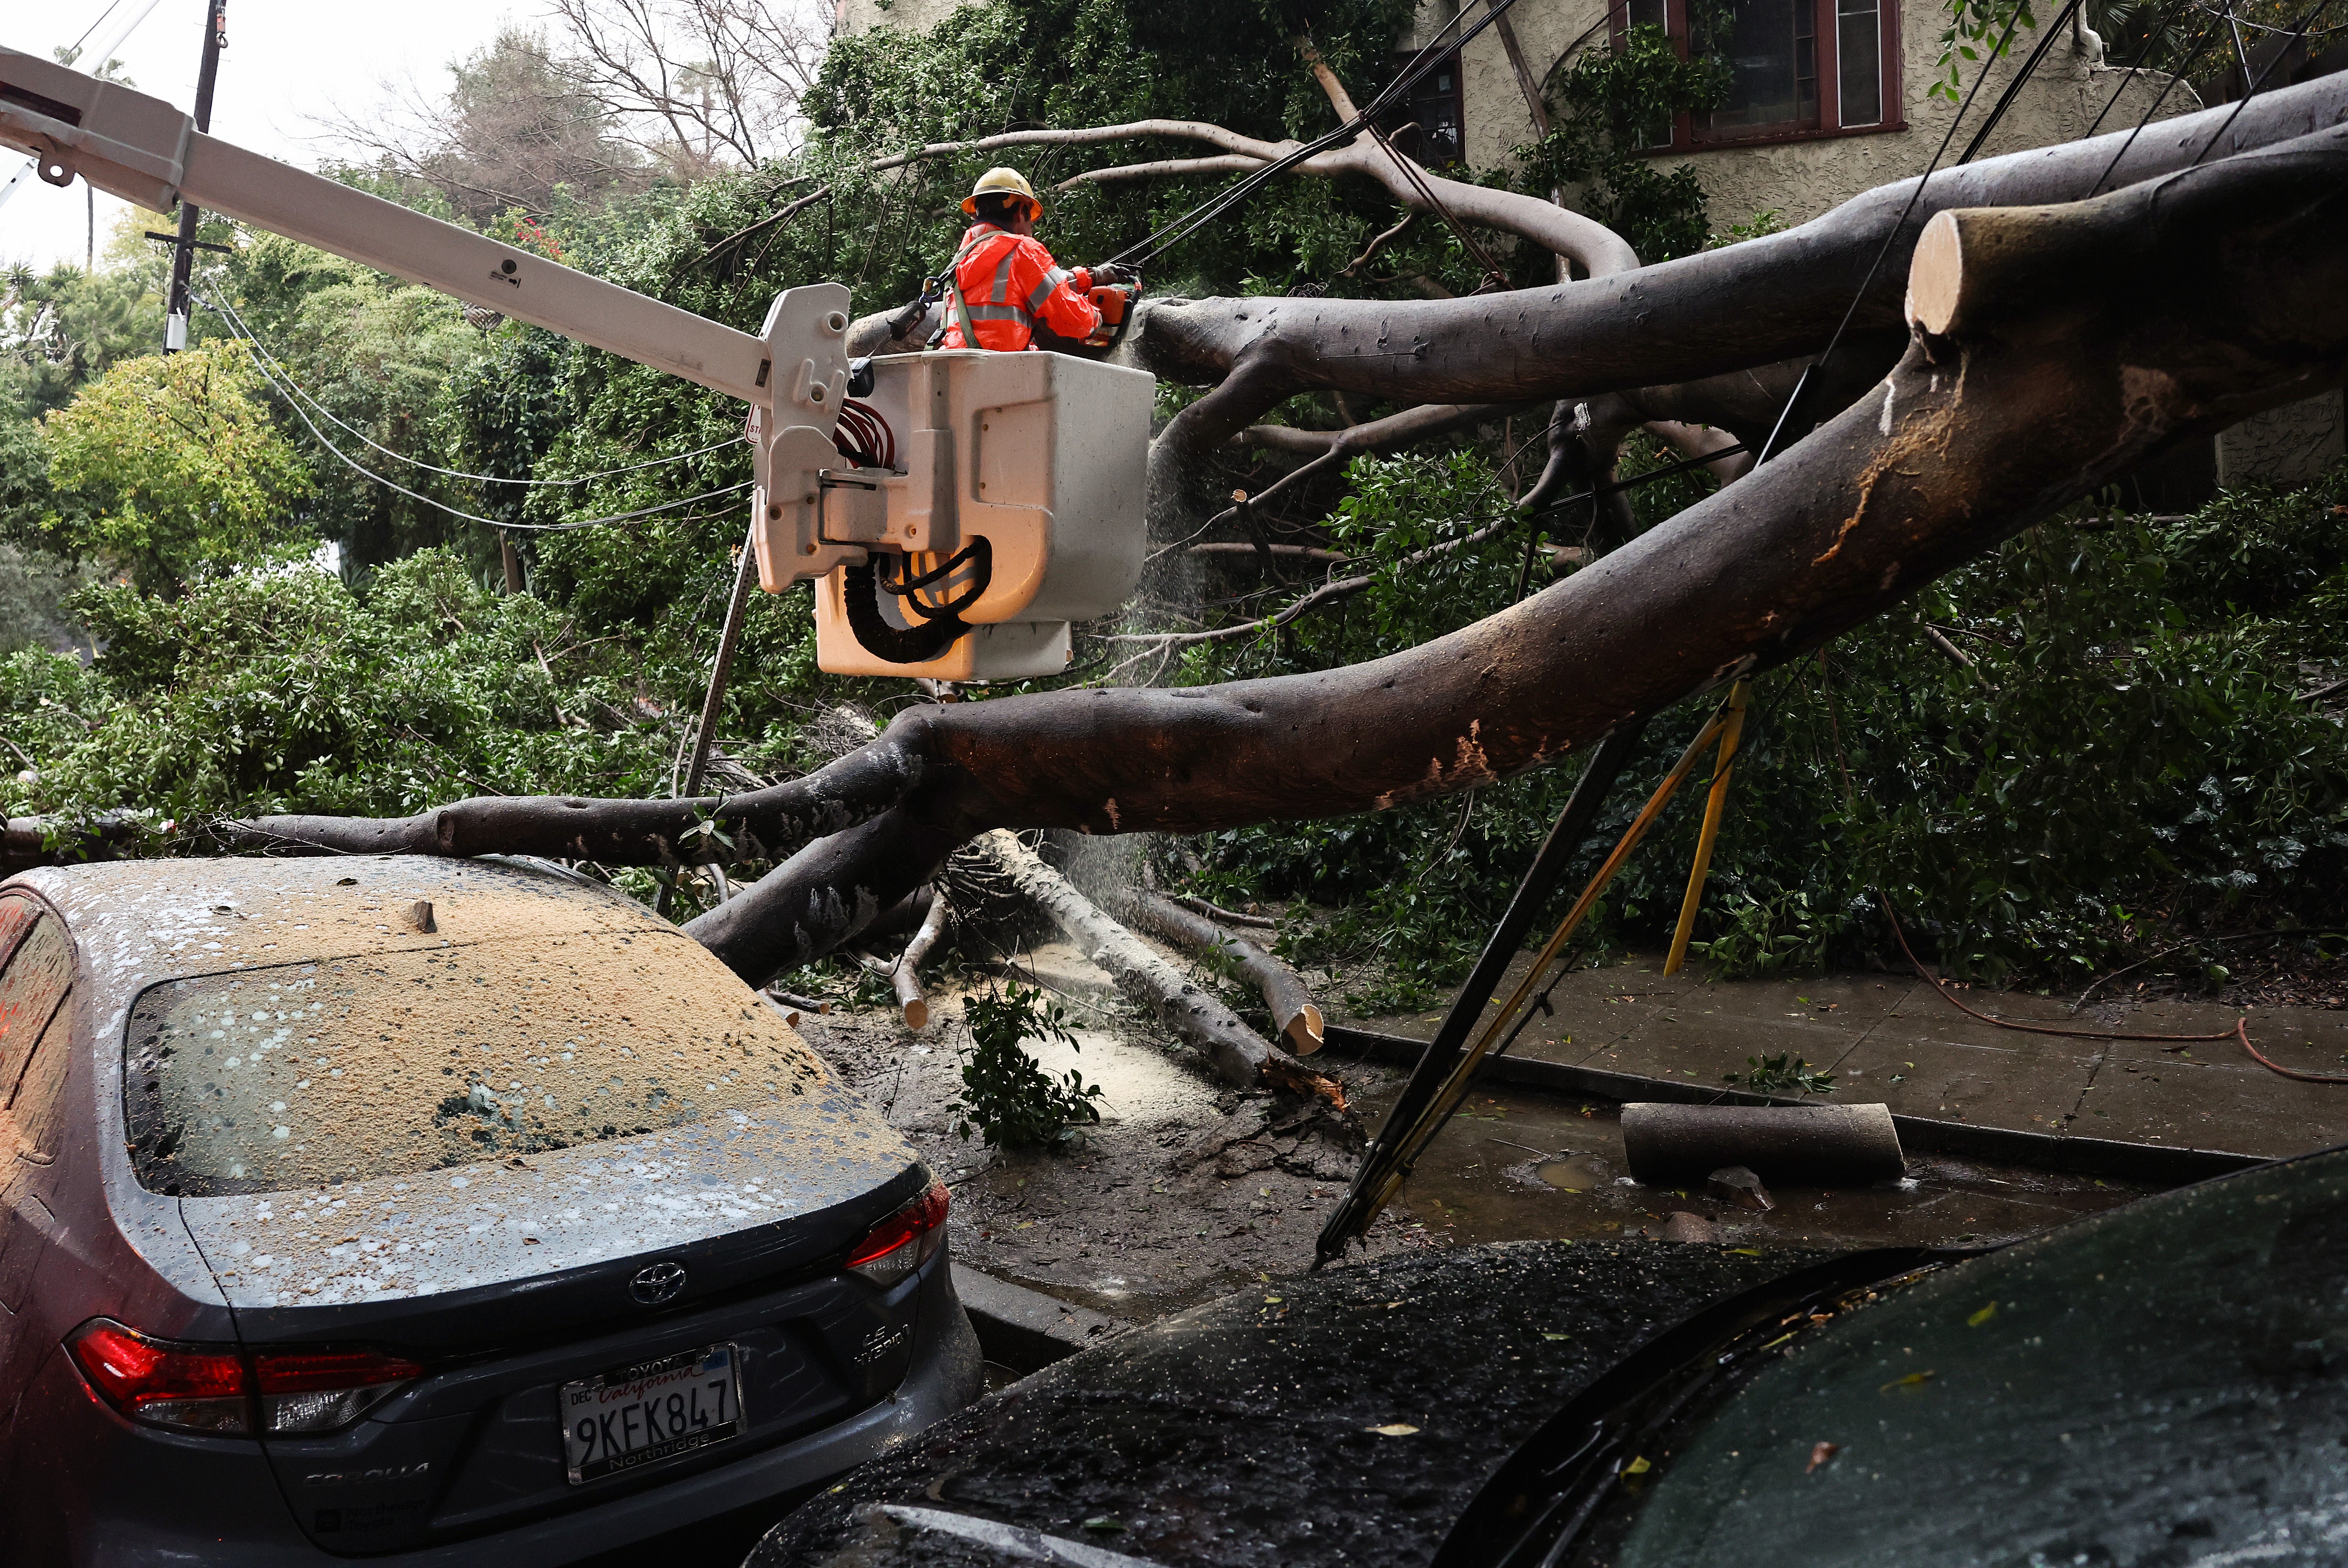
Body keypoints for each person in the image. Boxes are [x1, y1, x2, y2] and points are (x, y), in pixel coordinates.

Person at [936, 167, 1134, 352]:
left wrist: (1092, 277)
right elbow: (1071, 317)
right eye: (1030, 215)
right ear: (1020, 211)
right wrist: (1099, 319)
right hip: (1001, 371)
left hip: (956, 365)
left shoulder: (961, 259)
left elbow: (1040, 285)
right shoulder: (1023, 250)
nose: (1031, 226)